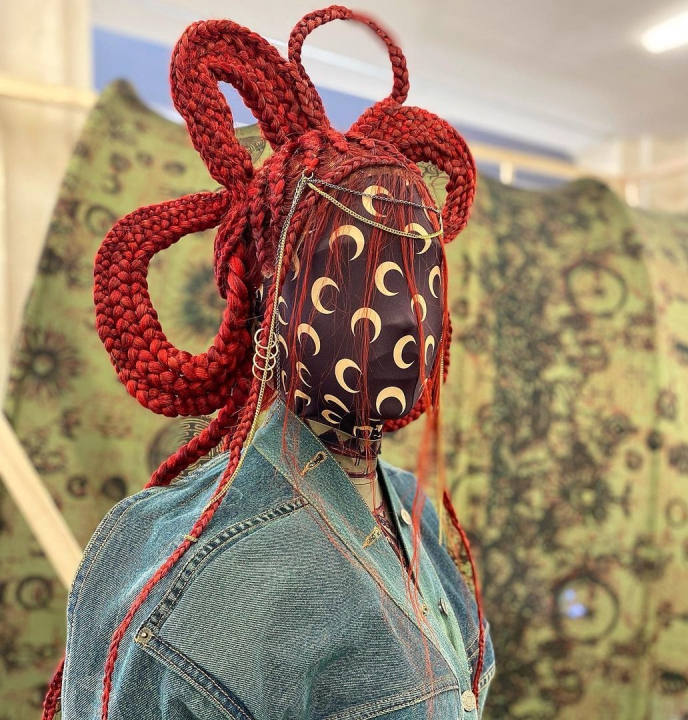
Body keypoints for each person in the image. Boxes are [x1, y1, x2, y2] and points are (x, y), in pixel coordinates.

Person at [42, 6, 495, 719]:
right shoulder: (201, 578)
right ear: (268, 302)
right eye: (352, 267)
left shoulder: (415, 515)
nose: (405, 312)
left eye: (421, 271)